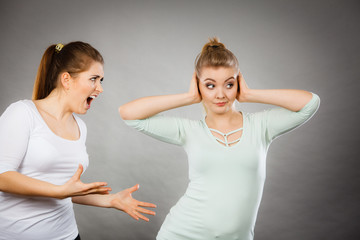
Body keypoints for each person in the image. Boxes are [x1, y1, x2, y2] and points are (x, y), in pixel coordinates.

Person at [119, 37, 320, 240]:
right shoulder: (189, 131)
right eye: (210, 85)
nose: (220, 94)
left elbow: (310, 103)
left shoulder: (261, 126)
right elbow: (128, 113)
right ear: (199, 86)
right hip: (183, 233)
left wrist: (249, 94)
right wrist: (188, 97)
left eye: (229, 84)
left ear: (238, 83)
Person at [0, 41, 156, 240]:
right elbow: (2, 176)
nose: (99, 88)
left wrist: (111, 200)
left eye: (101, 80)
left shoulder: (80, 127)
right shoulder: (22, 113)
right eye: (93, 79)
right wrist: (59, 191)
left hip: (68, 235)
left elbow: (68, 190)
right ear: (66, 80)